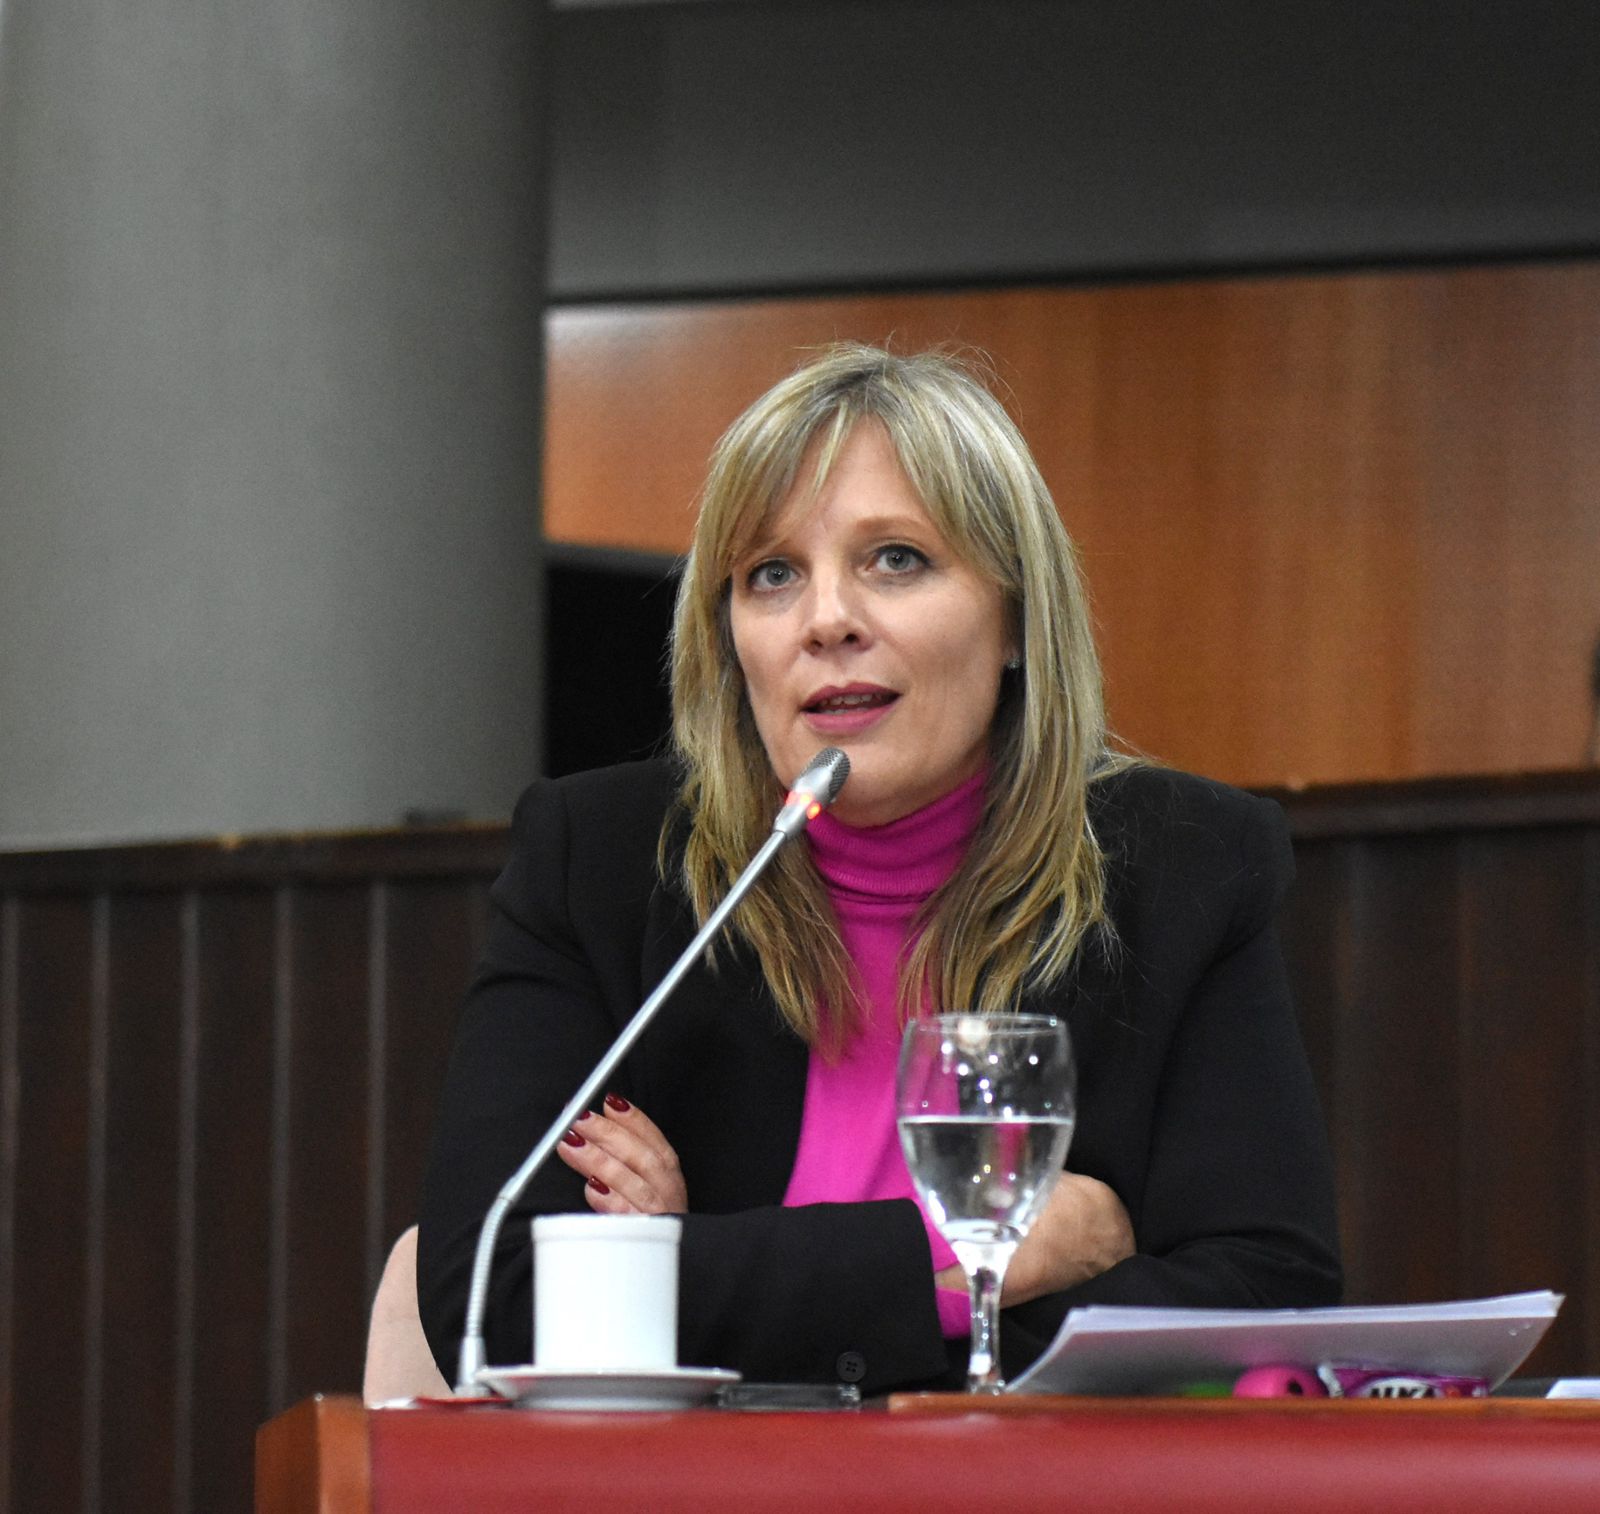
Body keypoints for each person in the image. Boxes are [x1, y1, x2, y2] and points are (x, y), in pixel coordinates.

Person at [417, 344, 1341, 1394]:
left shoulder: (1179, 868)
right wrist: (973, 1263)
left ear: (1015, 615)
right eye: (772, 574)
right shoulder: (605, 863)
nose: (827, 620)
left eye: (895, 559)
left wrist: (687, 1260)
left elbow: (1266, 1295)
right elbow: (494, 1294)